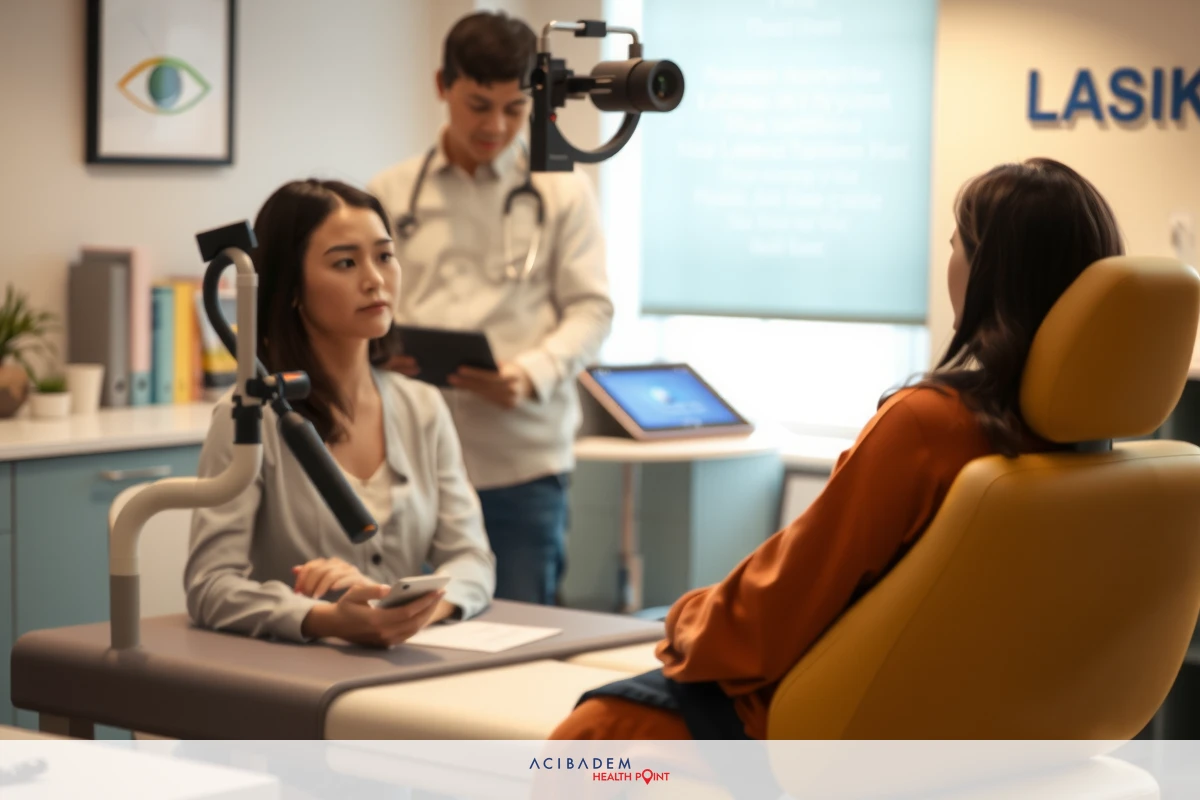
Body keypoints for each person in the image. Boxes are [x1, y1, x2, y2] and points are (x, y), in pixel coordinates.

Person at [548, 158, 1125, 739]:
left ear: (991, 274)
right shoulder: (1102, 458)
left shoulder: (930, 428)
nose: (949, 263)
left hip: (856, 727)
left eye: (957, 248)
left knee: (586, 740)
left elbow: (770, 617)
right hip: (1008, 725)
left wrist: (685, 617)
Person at [367, 11, 613, 606]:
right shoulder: (389, 193)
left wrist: (529, 374)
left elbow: (591, 309)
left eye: (515, 108)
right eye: (479, 106)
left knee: (521, 632)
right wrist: (381, 352)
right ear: (442, 86)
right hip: (409, 463)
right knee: (404, 628)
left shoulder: (563, 189)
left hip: (519, 465)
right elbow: (363, 305)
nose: (496, 126)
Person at [185, 179, 496, 647]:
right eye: (346, 263)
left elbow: (472, 559)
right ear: (291, 286)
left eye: (385, 256)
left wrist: (408, 613)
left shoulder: (422, 407)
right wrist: (326, 618)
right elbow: (210, 586)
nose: (375, 279)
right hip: (292, 674)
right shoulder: (247, 416)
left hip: (404, 664)